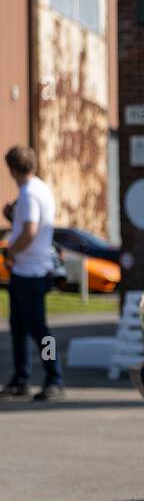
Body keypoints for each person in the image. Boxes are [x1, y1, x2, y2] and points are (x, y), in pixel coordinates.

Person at [2, 145, 64, 400]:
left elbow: (30, 231)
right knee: (19, 327)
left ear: (13, 168)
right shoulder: (41, 189)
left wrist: (10, 252)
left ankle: (54, 377)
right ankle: (21, 378)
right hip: (33, 269)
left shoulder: (28, 193)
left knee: (39, 330)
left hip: (30, 271)